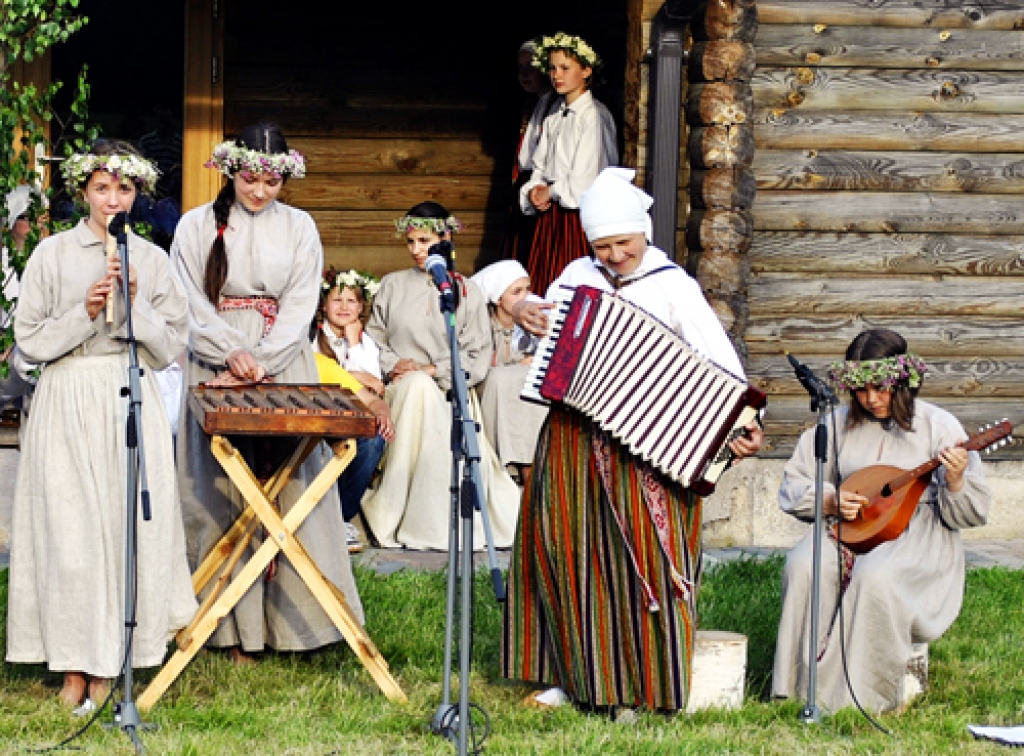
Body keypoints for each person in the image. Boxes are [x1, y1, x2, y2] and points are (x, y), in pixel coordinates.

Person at [502, 167, 762, 713]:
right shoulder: (576, 276)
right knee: (564, 550)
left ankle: (646, 685)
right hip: (573, 436)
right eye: (603, 246)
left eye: (623, 242)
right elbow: (544, 335)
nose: (615, 255)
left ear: (643, 232)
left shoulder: (674, 286)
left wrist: (739, 430)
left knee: (642, 558)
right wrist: (525, 317)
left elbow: (721, 366)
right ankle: (574, 678)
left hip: (650, 449)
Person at [6, 140, 196, 711]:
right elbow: (28, 344)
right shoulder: (51, 255)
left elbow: (174, 346)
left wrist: (140, 311)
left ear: (137, 194)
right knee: (70, 537)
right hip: (67, 396)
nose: (114, 199)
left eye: (125, 189)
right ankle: (70, 664)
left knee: (120, 532)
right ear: (83, 192)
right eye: (102, 189)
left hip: (126, 396)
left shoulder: (154, 261)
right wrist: (83, 313)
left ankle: (115, 660)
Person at [171, 123, 364, 662]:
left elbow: (302, 302)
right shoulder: (195, 226)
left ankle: (295, 628)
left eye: (272, 182)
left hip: (281, 362)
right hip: (214, 362)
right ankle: (223, 629)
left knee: (289, 486)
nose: (259, 191)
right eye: (251, 179)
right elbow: (187, 299)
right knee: (218, 489)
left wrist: (266, 362)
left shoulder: (301, 227)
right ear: (231, 172)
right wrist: (231, 353)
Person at [772, 328, 991, 715]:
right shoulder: (836, 424)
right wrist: (831, 499)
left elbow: (971, 512)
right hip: (851, 526)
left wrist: (955, 479)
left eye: (881, 388)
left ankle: (861, 697)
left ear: (903, 381)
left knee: (876, 577)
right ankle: (795, 687)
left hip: (917, 533)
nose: (870, 399)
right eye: (861, 390)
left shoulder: (939, 426)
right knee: (805, 565)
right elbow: (795, 484)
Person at [361, 201, 520, 550]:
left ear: (446, 239)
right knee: (415, 386)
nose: (417, 250)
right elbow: (373, 339)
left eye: (425, 242)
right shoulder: (391, 284)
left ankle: (429, 519)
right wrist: (397, 366)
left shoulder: (466, 290)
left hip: (452, 392)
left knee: (422, 386)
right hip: (400, 389)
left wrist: (432, 370)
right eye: (411, 242)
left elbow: (477, 355)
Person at [520, 32, 618, 294]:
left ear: (586, 71)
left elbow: (586, 175)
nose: (556, 75)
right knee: (544, 282)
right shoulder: (555, 114)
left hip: (575, 216)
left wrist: (551, 191)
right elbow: (540, 162)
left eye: (565, 68)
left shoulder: (593, 116)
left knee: (571, 285)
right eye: (552, 68)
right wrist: (535, 188)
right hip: (550, 214)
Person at [313, 267, 393, 552]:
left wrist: (355, 343)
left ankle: (342, 517)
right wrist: (357, 376)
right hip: (320, 414)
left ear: (361, 307)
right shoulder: (311, 338)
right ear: (323, 304)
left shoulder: (365, 344)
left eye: (351, 301)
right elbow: (319, 373)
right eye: (337, 300)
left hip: (354, 416)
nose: (344, 307)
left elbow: (374, 388)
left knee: (372, 440)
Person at [470, 259, 547, 480]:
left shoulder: (536, 321)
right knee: (503, 380)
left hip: (522, 391)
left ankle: (531, 463)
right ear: (498, 297)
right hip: (489, 391)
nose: (524, 297)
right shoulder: (480, 322)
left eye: (527, 289)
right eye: (516, 292)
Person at [499, 38, 557, 266]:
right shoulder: (533, 103)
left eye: (531, 68)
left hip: (539, 182)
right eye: (521, 68)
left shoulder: (554, 105)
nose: (525, 74)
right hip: (524, 182)